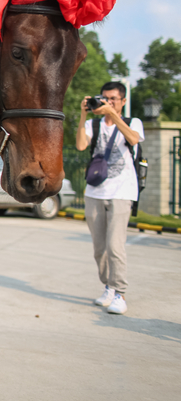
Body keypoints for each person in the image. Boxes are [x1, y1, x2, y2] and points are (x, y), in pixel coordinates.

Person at [75, 82, 144, 316]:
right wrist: (84, 114)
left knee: (115, 246)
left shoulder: (133, 122)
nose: (108, 102)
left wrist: (113, 114)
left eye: (113, 98)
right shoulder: (95, 123)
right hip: (95, 191)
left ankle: (120, 293)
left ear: (123, 101)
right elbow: (81, 145)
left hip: (122, 191)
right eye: (104, 98)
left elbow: (134, 139)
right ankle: (108, 286)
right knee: (99, 248)